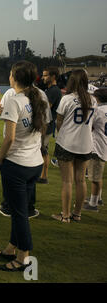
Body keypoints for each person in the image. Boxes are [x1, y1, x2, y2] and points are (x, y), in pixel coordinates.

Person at [0, 61, 47, 272]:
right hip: (34, 162)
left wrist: (0, 158)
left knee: (19, 214)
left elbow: (9, 138)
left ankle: (23, 258)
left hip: (17, 164)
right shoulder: (39, 97)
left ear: (14, 77)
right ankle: (11, 247)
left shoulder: (15, 100)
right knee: (21, 210)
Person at [51, 70, 97, 223]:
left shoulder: (67, 99)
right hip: (86, 144)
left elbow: (59, 122)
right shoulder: (93, 100)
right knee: (81, 181)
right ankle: (77, 214)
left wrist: (64, 132)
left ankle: (65, 215)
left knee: (67, 181)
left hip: (67, 143)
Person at [37, 67, 62, 184]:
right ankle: (42, 175)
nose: (43, 78)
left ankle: (43, 176)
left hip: (46, 125)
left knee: (43, 150)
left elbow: (46, 108)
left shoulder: (53, 91)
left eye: (45, 75)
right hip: (46, 124)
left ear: (53, 77)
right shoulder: (49, 90)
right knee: (41, 150)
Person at [83, 88, 106, 211]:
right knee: (98, 176)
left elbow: (89, 126)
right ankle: (98, 198)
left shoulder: (98, 111)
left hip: (97, 147)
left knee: (94, 178)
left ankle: (93, 204)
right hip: (104, 145)